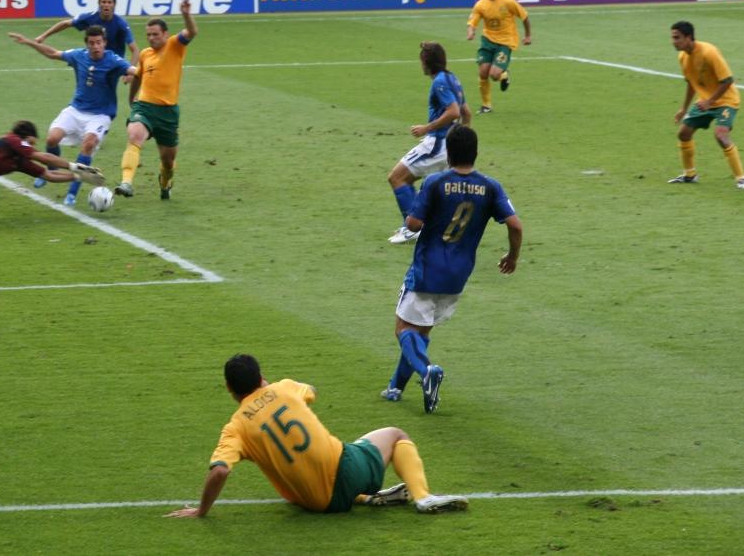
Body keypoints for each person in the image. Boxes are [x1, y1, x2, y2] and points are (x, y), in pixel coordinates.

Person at [167, 353, 468, 519]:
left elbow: (220, 470)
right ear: (261, 378)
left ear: (230, 390)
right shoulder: (285, 388)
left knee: (311, 468)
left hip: (312, 501)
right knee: (394, 434)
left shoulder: (235, 428)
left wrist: (201, 510)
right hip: (344, 470)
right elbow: (311, 390)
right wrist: (277, 390)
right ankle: (423, 498)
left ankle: (366, 498)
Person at [380, 125, 523, 413]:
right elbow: (515, 225)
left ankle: (427, 371)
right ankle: (395, 388)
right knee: (420, 331)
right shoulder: (490, 186)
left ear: (448, 154)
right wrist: (512, 256)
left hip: (427, 268)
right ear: (476, 153)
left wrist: (418, 214)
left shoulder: (435, 182)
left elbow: (413, 224)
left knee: (403, 330)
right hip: (459, 274)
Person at [8, 26, 136, 205]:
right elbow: (53, 53)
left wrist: (141, 75)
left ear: (104, 43)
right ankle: (51, 170)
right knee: (52, 139)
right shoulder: (78, 55)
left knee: (88, 144)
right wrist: (29, 42)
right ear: (87, 44)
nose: (96, 46)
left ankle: (72, 193)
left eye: (99, 42)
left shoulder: (114, 60)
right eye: (92, 43)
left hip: (100, 115)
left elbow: (135, 71)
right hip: (76, 109)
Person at [386, 43, 470, 245]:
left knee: (397, 178)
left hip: (437, 144)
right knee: (427, 187)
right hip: (448, 145)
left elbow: (454, 112)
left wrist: (427, 128)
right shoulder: (453, 78)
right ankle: (422, 225)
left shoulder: (439, 82)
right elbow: (466, 113)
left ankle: (412, 229)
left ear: (426, 62)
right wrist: (462, 142)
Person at [116, 0, 198, 200]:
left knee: (168, 161)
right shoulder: (145, 54)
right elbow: (138, 77)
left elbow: (192, 32)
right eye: (148, 35)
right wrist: (132, 98)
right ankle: (126, 182)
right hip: (145, 107)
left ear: (165, 34)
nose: (151, 38)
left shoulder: (174, 45)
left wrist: (186, 14)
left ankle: (165, 182)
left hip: (168, 112)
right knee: (134, 136)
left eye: (155, 34)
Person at [668, 21, 744, 189]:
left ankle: (741, 179)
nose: (673, 41)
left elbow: (727, 80)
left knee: (721, 136)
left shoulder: (709, 52)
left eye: (677, 37)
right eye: (673, 38)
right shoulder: (683, 57)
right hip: (705, 102)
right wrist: (684, 108)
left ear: (688, 37)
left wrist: (710, 101)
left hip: (726, 101)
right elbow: (691, 83)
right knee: (683, 133)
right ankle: (690, 175)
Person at [466, 0, 531, 114]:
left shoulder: (508, 1)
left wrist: (527, 36)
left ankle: (503, 74)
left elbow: (524, 16)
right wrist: (470, 32)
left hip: (505, 42)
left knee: (494, 75)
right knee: (483, 72)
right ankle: (486, 105)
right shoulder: (481, 5)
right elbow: (472, 22)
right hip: (487, 41)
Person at [35, 0, 137, 58]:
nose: (106, 5)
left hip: (114, 63)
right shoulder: (90, 18)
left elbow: (135, 50)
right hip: (94, 59)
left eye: (109, 2)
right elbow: (65, 24)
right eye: (104, 2)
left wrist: (130, 72)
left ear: (114, 4)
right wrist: (43, 36)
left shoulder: (121, 24)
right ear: (99, 3)